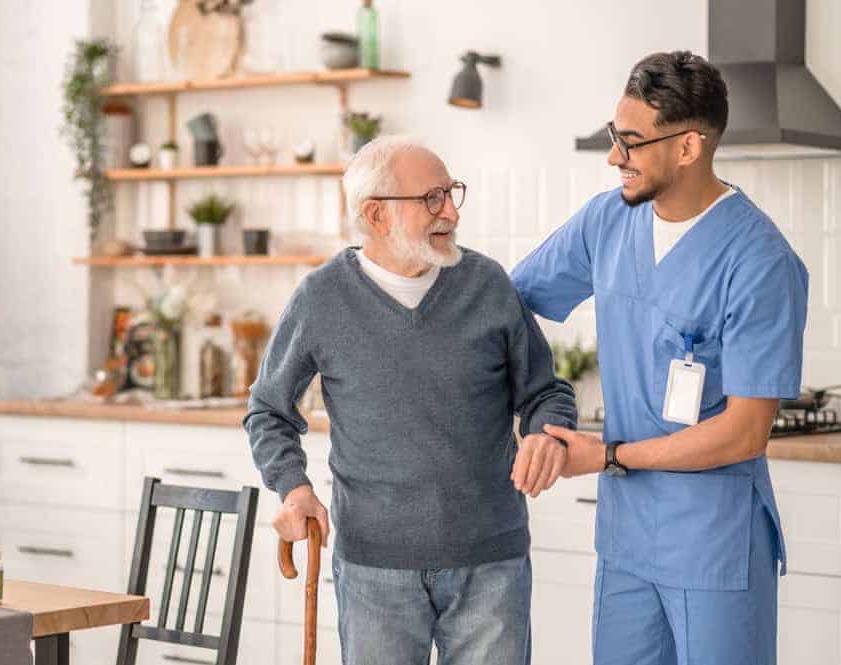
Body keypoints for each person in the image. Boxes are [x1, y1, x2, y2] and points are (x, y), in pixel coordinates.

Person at [510, 51, 808, 665]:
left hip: (714, 545)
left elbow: (746, 432)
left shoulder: (759, 261)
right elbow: (505, 304)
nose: (615, 156)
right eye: (615, 136)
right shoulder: (606, 223)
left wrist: (609, 455)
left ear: (689, 147)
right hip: (627, 543)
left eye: (633, 142)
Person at [244, 136, 577, 665]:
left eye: (451, 193)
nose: (451, 212)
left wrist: (546, 430)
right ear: (376, 215)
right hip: (375, 566)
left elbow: (545, 390)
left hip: (491, 561)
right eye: (432, 198)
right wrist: (293, 488)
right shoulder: (321, 298)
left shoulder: (487, 284)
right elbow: (268, 411)